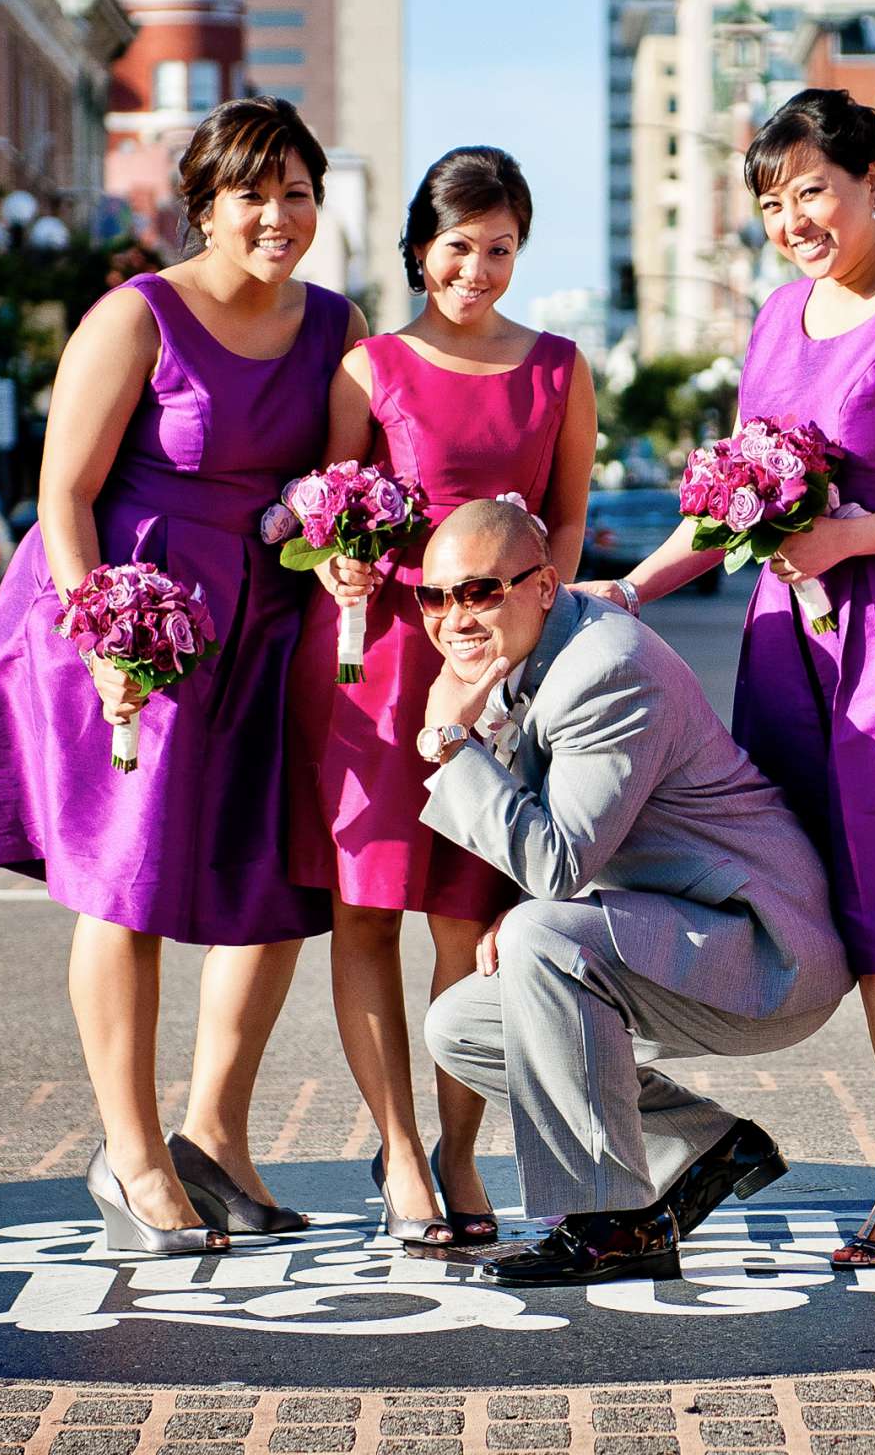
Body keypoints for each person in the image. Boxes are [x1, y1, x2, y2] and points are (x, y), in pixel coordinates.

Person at [0, 96, 359, 1252]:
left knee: (273, 881)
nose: (277, 217)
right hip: (136, 612)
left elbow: (336, 492)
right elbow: (63, 495)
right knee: (126, 882)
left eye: (297, 193)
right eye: (252, 196)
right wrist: (105, 632)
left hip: (269, 620)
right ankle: (129, 1157)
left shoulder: (337, 326)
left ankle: (213, 1140)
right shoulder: (138, 319)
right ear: (207, 206)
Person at [593, 90, 875, 1272]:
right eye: (772, 201)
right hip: (790, 649)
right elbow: (732, 505)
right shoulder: (780, 316)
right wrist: (633, 588)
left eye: (813, 189)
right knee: (824, 906)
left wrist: (848, 541)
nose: (793, 218)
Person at [416, 500, 851, 1285]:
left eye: (480, 591)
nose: (456, 618)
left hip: (761, 949)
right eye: (435, 597)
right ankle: (701, 1145)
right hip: (678, 928)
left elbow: (556, 867)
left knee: (539, 939)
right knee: (462, 1025)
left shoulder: (605, 668)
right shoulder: (527, 655)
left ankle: (612, 1224)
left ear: (545, 586)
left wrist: (451, 745)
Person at [286, 147, 597, 1247]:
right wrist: (339, 564)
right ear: (422, 245)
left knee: (473, 922)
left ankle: (464, 1150)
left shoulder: (559, 365)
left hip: (499, 667)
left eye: (502, 246)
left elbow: (564, 525)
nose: (479, 267)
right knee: (368, 910)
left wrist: (520, 639)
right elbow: (333, 509)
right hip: (380, 667)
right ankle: (404, 1155)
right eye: (460, 245)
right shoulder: (370, 367)